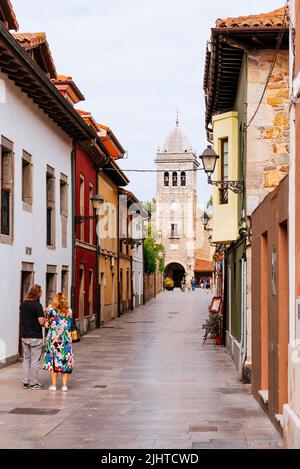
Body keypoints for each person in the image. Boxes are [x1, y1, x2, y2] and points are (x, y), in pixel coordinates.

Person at [43, 293, 74, 392]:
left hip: (54, 341)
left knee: (54, 362)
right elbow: (69, 326)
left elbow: (47, 325)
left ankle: (54, 385)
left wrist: (47, 311)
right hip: (66, 340)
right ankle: (64, 386)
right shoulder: (69, 311)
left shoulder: (52, 311)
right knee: (65, 361)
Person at [20, 284, 45, 389]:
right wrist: (45, 319)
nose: (41, 294)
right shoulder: (37, 306)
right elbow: (41, 322)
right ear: (38, 293)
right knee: (35, 360)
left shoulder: (23, 304)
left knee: (26, 359)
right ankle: (34, 383)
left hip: (25, 336)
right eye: (41, 292)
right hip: (35, 336)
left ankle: (25, 382)